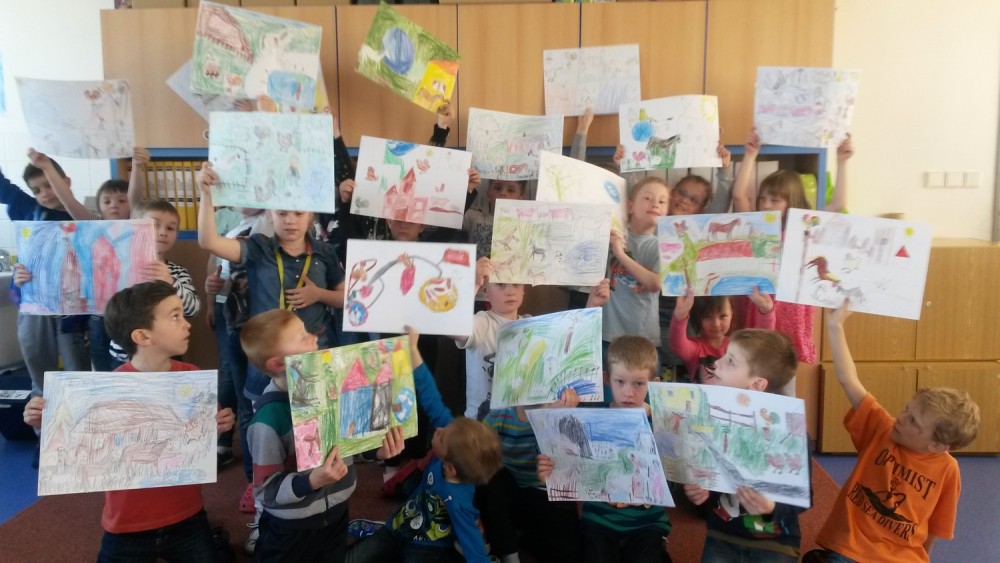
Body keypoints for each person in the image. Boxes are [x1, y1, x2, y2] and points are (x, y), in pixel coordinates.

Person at [24, 281, 235, 562]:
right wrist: (45, 420)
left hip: (188, 517)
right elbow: (76, 444)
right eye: (175, 316)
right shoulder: (106, 391)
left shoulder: (191, 375)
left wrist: (220, 424)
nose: (187, 324)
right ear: (142, 336)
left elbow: (202, 437)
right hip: (127, 525)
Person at [802, 302, 980, 563]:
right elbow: (848, 379)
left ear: (937, 445)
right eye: (907, 409)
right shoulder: (882, 428)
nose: (902, 418)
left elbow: (936, 526)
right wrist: (835, 325)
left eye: (914, 421)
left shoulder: (948, 470)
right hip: (851, 549)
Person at [239, 309, 405, 562]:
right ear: (277, 364)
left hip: (337, 513)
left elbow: (348, 437)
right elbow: (266, 491)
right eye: (302, 337)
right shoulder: (268, 420)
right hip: (291, 529)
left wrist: (376, 450)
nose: (315, 336)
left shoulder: (331, 388)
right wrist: (310, 482)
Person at [347, 327, 503, 563]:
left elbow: (475, 551)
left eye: (441, 437)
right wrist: (412, 350)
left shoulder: (460, 502)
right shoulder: (452, 437)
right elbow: (430, 396)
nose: (439, 430)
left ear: (450, 467)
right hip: (396, 529)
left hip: (428, 548)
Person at [537, 336, 672, 563]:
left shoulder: (661, 425)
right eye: (620, 382)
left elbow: (672, 481)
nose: (628, 392)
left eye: (638, 384)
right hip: (599, 520)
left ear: (653, 383)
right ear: (607, 379)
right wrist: (547, 465)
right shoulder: (590, 418)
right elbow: (555, 452)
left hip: (647, 523)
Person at [730, 129, 853, 371]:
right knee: (751, 367)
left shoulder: (804, 230)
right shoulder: (757, 227)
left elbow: (839, 205)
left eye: (775, 200)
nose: (766, 205)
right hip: (758, 306)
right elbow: (739, 195)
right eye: (763, 199)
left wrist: (842, 162)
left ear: (792, 201)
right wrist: (750, 155)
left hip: (791, 313)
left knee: (783, 370)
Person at [681, 329, 804, 562]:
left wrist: (771, 507)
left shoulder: (788, 431)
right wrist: (702, 492)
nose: (717, 363)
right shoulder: (710, 419)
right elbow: (712, 489)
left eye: (730, 361)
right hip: (723, 536)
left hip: (775, 541)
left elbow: (803, 497)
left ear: (756, 384)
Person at [204, 207, 274, 510]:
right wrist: (213, 295)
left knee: (274, 402)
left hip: (270, 326)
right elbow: (214, 260)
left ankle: (279, 474)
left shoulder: (276, 219)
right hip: (235, 321)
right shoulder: (235, 226)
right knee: (245, 401)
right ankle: (252, 479)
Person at [2, 158, 89, 400]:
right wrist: (18, 278)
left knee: (76, 372)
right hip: (35, 303)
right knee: (38, 368)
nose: (44, 194)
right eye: (37, 190)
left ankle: (76, 417)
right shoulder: (30, 209)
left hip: (71, 309)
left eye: (49, 185)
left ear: (65, 182)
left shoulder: (82, 216)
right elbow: (3, 188)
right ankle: (41, 419)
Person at [108, 199, 201, 366]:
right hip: (124, 355)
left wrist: (171, 282)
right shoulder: (119, 268)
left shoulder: (177, 272)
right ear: (135, 229)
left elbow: (193, 309)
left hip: (166, 353)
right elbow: (109, 309)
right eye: (154, 225)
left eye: (170, 228)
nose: (163, 232)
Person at [602, 178, 670, 368]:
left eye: (662, 201)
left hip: (644, 339)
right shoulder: (612, 236)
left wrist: (620, 254)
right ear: (630, 206)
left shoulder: (663, 245)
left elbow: (656, 283)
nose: (655, 204)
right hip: (608, 335)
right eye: (647, 198)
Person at [669, 288, 775, 382]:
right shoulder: (696, 348)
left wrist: (766, 309)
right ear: (698, 318)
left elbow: (760, 341)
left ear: (731, 314)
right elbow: (678, 345)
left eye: (723, 316)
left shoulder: (738, 344)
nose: (716, 324)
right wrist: (680, 314)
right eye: (708, 317)